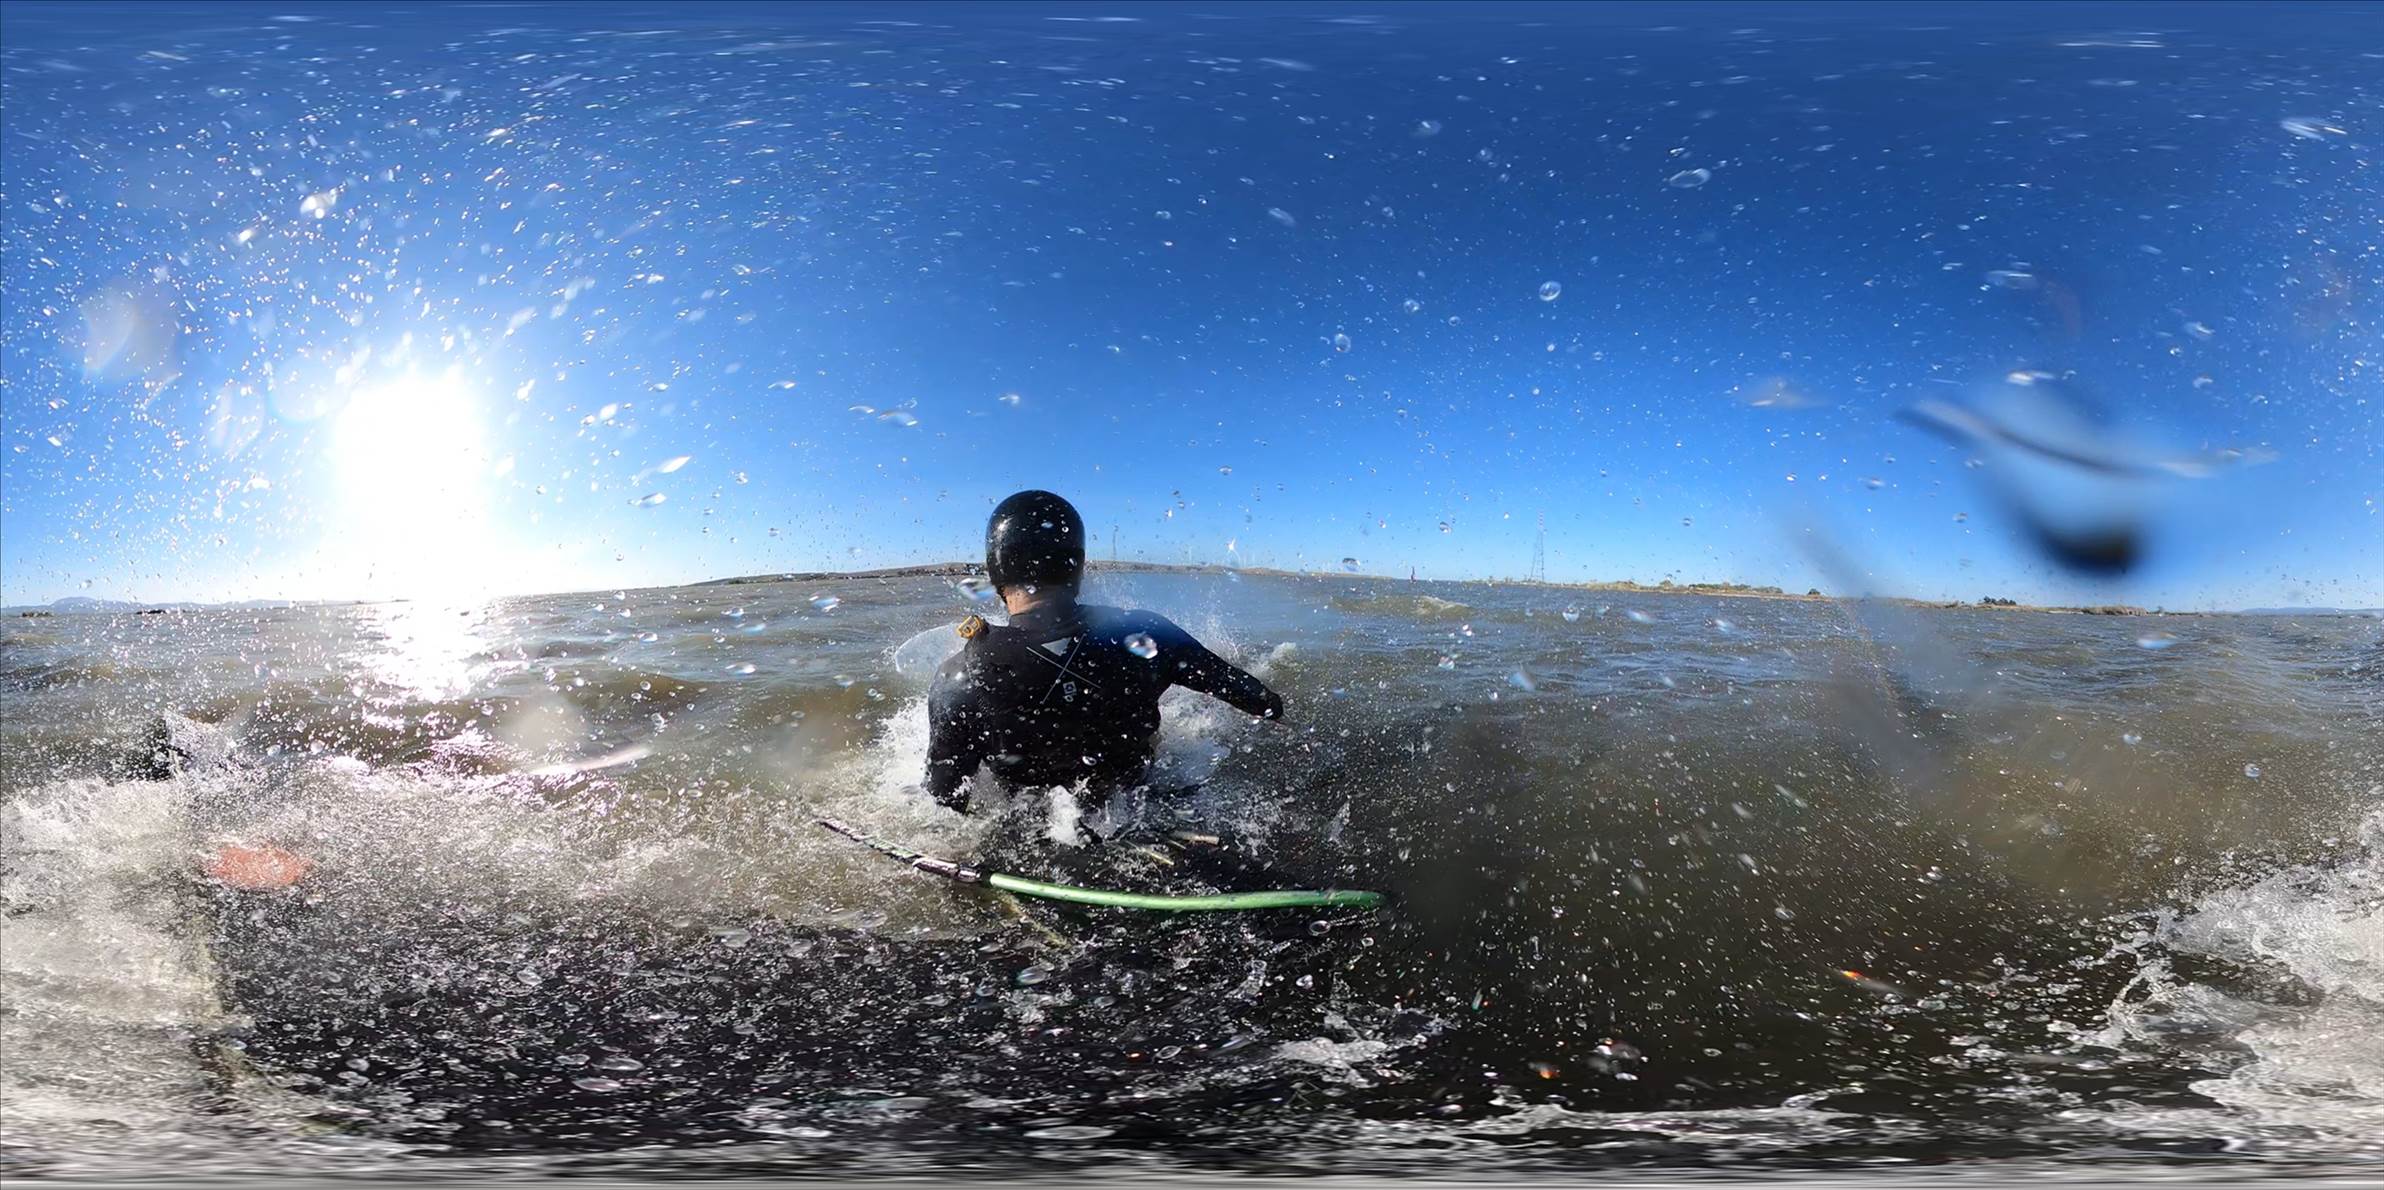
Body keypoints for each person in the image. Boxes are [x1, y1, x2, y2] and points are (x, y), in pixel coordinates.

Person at [926, 490, 1284, 814]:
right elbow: (1260, 700)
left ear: (996, 569)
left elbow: (943, 804)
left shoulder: (958, 677)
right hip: (1141, 807)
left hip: (1040, 830)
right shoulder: (1147, 632)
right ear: (1077, 564)